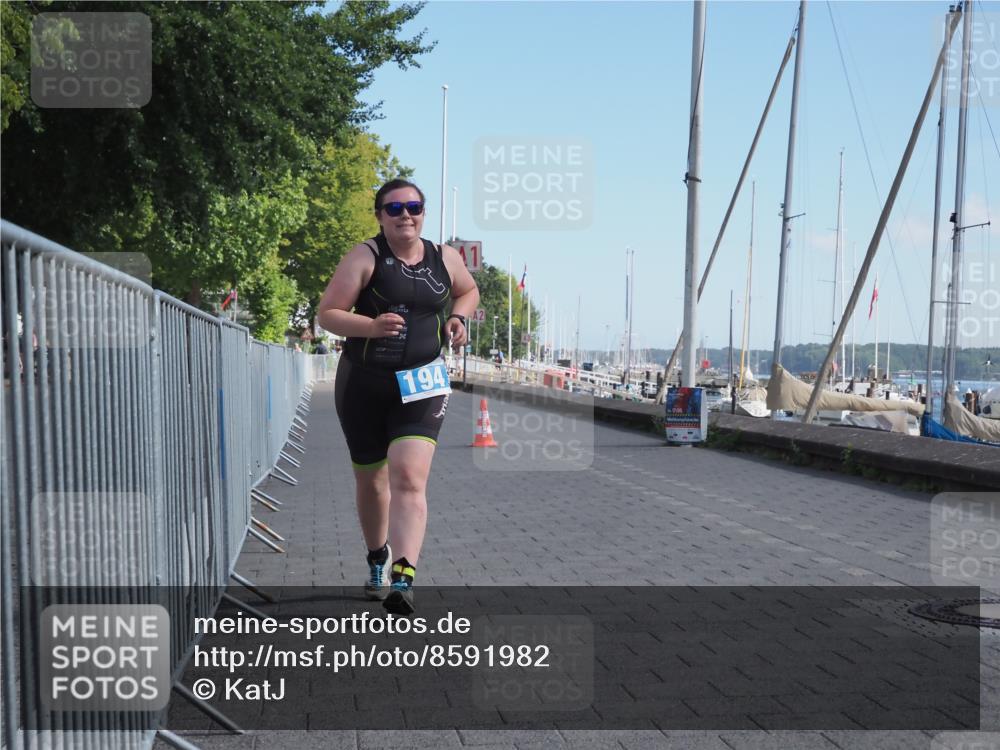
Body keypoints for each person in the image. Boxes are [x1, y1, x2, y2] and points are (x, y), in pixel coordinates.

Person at [317, 178, 479, 615]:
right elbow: (327, 313)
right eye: (394, 208)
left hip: (424, 381)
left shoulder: (445, 257)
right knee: (372, 481)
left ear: (424, 212)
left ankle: (403, 578)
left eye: (414, 206)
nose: (405, 214)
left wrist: (459, 319)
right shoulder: (365, 257)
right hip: (365, 383)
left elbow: (468, 289)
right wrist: (369, 327)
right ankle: (377, 558)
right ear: (380, 216)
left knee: (409, 478)